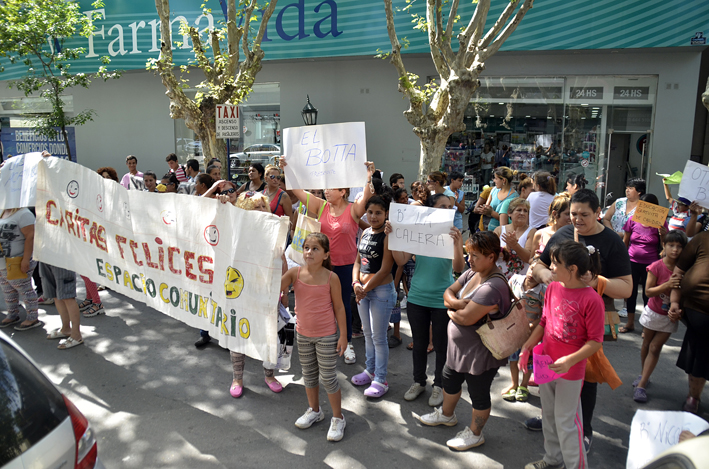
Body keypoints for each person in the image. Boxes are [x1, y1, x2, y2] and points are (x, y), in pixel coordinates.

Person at [530, 188, 632, 450]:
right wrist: (546, 276)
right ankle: (550, 420)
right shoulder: (562, 233)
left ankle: (584, 431)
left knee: (585, 375)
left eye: (584, 215)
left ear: (598, 213)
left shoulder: (612, 242)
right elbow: (539, 264)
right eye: (573, 213)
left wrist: (597, 281)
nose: (576, 219)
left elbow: (627, 288)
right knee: (552, 370)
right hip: (555, 319)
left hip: (588, 322)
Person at [417, 231, 512, 451]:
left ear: (492, 257)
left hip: (481, 352)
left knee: (478, 394)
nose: (470, 259)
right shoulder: (472, 272)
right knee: (449, 380)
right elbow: (449, 291)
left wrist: (452, 310)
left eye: (476, 255)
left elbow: (466, 318)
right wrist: (458, 304)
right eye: (469, 254)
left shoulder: (493, 286)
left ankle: (475, 433)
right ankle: (447, 415)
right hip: (459, 349)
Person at [280, 156, 376, 365]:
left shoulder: (353, 209)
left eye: (332, 188)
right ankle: (323, 340)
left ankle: (347, 342)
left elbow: (366, 197)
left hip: (345, 266)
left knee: (342, 304)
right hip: (320, 265)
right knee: (321, 303)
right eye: (325, 188)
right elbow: (297, 191)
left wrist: (369, 176)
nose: (326, 191)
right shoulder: (321, 206)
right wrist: (288, 168)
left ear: (343, 191)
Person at [522, 240, 604, 469]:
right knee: (548, 415)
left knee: (567, 421)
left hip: (570, 370)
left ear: (573, 269)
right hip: (545, 362)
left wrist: (570, 360)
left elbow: (595, 341)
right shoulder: (554, 288)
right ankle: (552, 459)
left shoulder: (591, 299)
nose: (551, 268)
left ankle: (576, 466)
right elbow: (545, 321)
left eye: (556, 264)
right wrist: (528, 345)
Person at [390, 193, 465, 406]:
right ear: (430, 209)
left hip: (443, 299)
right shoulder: (419, 231)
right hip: (417, 297)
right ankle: (419, 382)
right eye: (442, 205)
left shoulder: (452, 234)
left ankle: (439, 386)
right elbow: (401, 259)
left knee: (441, 346)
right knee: (420, 344)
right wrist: (394, 236)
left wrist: (458, 244)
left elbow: (458, 268)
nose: (448, 209)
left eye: (450, 206)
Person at [281, 233, 349, 441]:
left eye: (315, 248)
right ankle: (315, 410)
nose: (309, 252)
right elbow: (272, 286)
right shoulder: (295, 273)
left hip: (326, 335)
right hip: (303, 334)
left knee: (328, 378)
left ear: (326, 254)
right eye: (307, 248)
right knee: (308, 375)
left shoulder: (331, 278)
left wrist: (343, 335)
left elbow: (339, 307)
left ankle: (338, 418)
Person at [215, 191, 283, 397]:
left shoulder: (274, 229)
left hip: (266, 291)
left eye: (263, 206)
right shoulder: (237, 230)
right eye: (256, 207)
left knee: (268, 333)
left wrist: (284, 289)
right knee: (239, 334)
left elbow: (281, 259)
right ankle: (237, 378)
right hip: (240, 290)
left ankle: (269, 375)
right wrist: (225, 204)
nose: (262, 210)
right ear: (244, 209)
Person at [632, 230, 687, 403]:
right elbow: (648, 291)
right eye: (671, 245)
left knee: (655, 347)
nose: (675, 250)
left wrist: (679, 309)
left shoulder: (685, 270)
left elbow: (686, 293)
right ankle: (644, 375)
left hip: (669, 317)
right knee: (647, 344)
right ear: (664, 245)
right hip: (653, 312)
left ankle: (641, 385)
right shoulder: (656, 266)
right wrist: (667, 285)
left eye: (679, 246)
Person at [351, 196, 396, 397]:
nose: (373, 216)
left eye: (378, 212)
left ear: (386, 213)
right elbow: (357, 263)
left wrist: (365, 288)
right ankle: (370, 371)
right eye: (370, 212)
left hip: (381, 292)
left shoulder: (388, 236)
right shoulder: (365, 232)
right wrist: (356, 284)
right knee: (367, 334)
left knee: (379, 337)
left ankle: (381, 379)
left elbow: (386, 269)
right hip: (363, 290)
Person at [668, 230, 709, 414]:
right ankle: (694, 396)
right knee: (699, 354)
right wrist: (675, 301)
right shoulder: (702, 238)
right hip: (698, 309)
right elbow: (678, 272)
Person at [620, 193, 666, 333]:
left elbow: (664, 247)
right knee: (631, 293)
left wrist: (662, 234)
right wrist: (622, 258)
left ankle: (647, 327)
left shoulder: (660, 222)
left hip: (651, 265)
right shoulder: (633, 220)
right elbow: (626, 241)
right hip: (632, 261)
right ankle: (630, 323)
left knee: (648, 295)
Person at [0, 208, 41, 330]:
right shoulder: (3, 212)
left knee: (23, 287)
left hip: (18, 259)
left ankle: (32, 317)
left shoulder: (24, 214)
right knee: (7, 288)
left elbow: (31, 236)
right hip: (4, 260)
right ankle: (12, 314)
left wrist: (26, 259)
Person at [475, 166, 518, 231]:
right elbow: (486, 207)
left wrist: (492, 213)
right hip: (488, 229)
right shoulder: (494, 190)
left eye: (496, 178)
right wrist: (483, 210)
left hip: (502, 233)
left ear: (503, 180)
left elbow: (509, 220)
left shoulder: (514, 197)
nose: (494, 181)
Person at [531, 193, 571, 257]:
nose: (571, 217)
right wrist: (536, 258)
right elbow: (530, 260)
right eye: (567, 214)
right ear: (555, 214)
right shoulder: (540, 234)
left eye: (573, 214)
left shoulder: (575, 235)